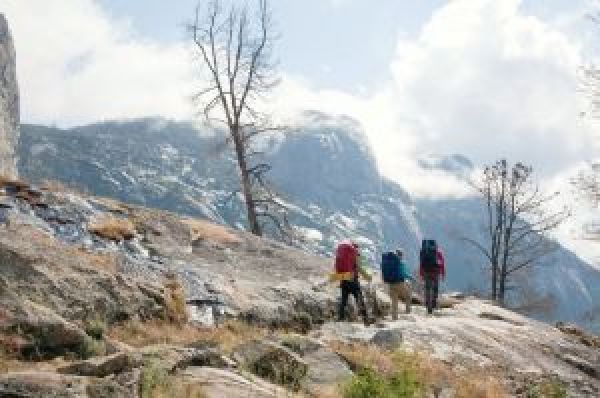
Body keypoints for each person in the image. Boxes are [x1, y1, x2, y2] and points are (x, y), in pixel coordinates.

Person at [334, 241, 372, 326]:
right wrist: (367, 276)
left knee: (343, 301)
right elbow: (359, 267)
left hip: (344, 279)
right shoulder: (355, 254)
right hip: (353, 280)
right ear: (356, 248)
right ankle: (366, 321)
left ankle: (340, 319)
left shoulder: (343, 253)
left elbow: (337, 267)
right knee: (359, 299)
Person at [419, 239, 445, 314]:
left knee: (427, 288)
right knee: (435, 288)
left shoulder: (423, 252)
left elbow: (421, 264)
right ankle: (434, 303)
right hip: (436, 272)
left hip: (426, 272)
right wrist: (442, 274)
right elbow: (442, 264)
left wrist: (421, 274)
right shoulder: (438, 252)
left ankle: (428, 305)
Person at [386, 248, 413, 320]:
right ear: (401, 255)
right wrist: (411, 277)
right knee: (408, 296)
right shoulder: (400, 263)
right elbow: (404, 274)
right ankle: (408, 312)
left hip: (391, 283)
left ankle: (394, 317)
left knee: (394, 300)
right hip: (400, 283)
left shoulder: (388, 261)